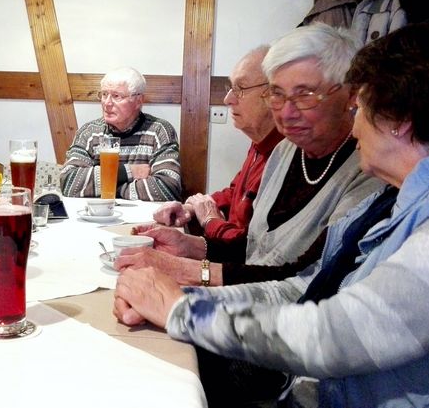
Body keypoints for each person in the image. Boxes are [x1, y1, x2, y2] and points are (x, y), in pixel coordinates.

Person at [114, 22, 429, 408]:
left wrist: (181, 310)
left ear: (401, 121)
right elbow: (306, 286)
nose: (354, 125)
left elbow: (340, 335)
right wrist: (183, 296)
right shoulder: (404, 198)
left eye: (360, 106)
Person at [121, 23, 385, 286]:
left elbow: (308, 280)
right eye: (277, 94)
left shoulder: (369, 170)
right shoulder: (286, 150)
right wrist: (189, 245)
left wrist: (193, 271)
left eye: (304, 94)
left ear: (351, 96)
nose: (286, 113)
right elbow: (254, 248)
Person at [151, 45, 283, 258]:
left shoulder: (287, 155)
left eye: (240, 88)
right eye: (230, 88)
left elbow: (251, 250)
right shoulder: (259, 143)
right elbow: (235, 194)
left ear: (275, 93)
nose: (227, 99)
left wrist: (211, 221)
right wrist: (191, 208)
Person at [59, 67, 182, 201]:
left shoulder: (159, 131)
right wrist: (129, 172)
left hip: (141, 214)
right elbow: (69, 182)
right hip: (99, 214)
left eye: (116, 96)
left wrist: (111, 190)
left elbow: (167, 188)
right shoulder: (90, 132)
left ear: (138, 101)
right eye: (104, 94)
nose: (107, 103)